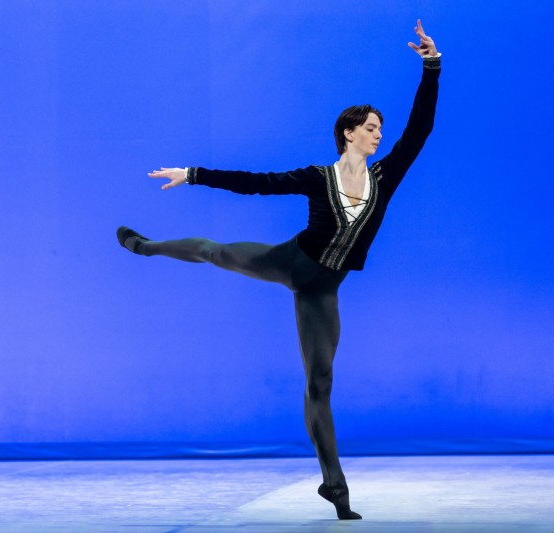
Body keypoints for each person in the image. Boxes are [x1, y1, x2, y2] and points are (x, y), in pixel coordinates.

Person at [117, 19, 440, 520]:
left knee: (319, 384)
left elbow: (421, 129)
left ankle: (336, 488)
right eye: (371, 128)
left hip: (322, 291)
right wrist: (194, 174)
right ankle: (144, 245)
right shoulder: (317, 178)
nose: (379, 135)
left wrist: (431, 66)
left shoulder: (385, 175)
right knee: (213, 250)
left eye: (380, 129)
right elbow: (257, 182)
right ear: (348, 132)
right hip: (290, 262)